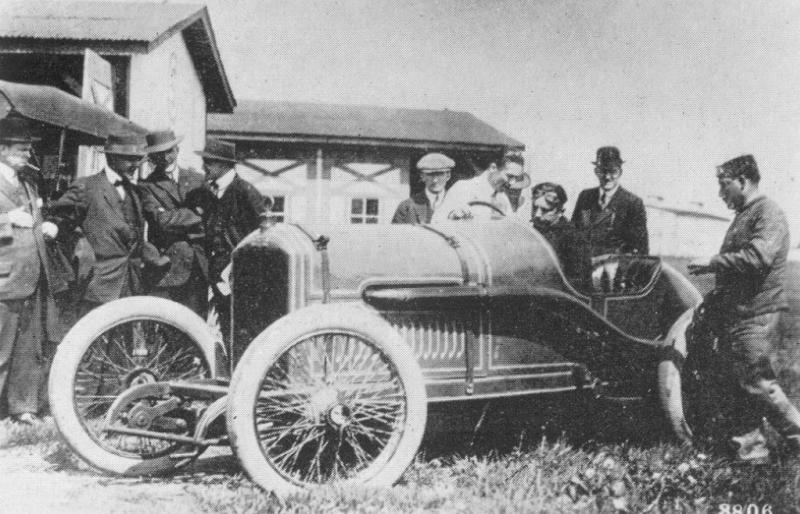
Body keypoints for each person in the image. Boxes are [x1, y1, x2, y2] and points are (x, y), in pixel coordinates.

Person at [688, 154, 800, 462]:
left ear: (742, 181)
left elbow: (757, 259)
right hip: (738, 314)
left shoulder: (768, 213)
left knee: (760, 385)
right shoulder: (746, 214)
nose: (721, 194)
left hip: (756, 315)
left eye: (724, 185)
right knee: (740, 385)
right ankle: (752, 452)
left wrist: (713, 262)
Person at [0, 117, 62, 424]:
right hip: (4, 278)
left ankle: (23, 407)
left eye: (28, 150)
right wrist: (6, 221)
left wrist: (44, 225)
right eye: (22, 149)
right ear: (2, 148)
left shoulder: (28, 183)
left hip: (33, 276)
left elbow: (33, 219)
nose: (27, 155)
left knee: (28, 346)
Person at [48, 133, 153, 315]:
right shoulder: (86, 187)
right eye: (129, 159)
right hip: (98, 285)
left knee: (124, 340)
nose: (135, 165)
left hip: (131, 283)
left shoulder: (136, 192)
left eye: (138, 159)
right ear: (111, 157)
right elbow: (58, 221)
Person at [187, 138, 266, 339]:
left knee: (244, 326)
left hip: (240, 273)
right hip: (218, 274)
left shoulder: (246, 192)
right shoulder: (208, 192)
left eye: (209, 162)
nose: (204, 166)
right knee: (226, 326)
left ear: (224, 165)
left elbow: (262, 234)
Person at [141, 129, 208, 317]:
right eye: (158, 154)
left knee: (197, 324)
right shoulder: (146, 187)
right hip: (169, 266)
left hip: (199, 264)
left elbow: (211, 213)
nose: (165, 158)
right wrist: (196, 214)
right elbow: (161, 221)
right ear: (152, 157)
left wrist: (175, 216)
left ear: (177, 150)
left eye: (169, 151)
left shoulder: (198, 180)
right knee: (168, 323)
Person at [572, 146, 648, 257]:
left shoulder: (633, 203)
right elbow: (574, 233)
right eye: (602, 171)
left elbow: (641, 248)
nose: (607, 177)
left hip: (615, 269)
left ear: (620, 172)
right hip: (583, 265)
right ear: (596, 172)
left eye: (613, 171)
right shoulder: (585, 197)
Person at [431, 152, 530, 223]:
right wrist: (452, 216)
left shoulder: (502, 198)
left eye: (516, 178)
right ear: (493, 168)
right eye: (509, 176)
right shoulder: (463, 188)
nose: (512, 183)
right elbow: (436, 222)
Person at [530, 182, 590, 289]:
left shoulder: (572, 236)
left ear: (560, 211)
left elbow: (578, 278)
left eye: (545, 210)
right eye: (535, 209)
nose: (538, 215)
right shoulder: (534, 231)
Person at [391, 152, 453, 224]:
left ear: (448, 175)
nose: (435, 180)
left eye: (440, 174)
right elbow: (394, 234)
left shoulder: (457, 204)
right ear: (422, 176)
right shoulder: (406, 207)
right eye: (430, 175)